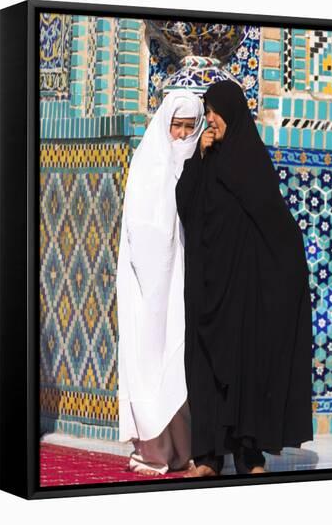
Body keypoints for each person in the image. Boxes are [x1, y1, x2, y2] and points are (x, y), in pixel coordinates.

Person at [175, 80, 314, 478]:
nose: (209, 119)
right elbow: (186, 206)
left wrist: (289, 274)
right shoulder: (204, 161)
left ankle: (250, 457)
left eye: (213, 111)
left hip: (244, 294)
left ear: (231, 112)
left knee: (245, 370)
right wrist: (197, 161)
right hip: (207, 289)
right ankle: (207, 458)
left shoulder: (251, 163)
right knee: (205, 372)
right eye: (207, 111)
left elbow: (277, 225)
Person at [116, 89, 205, 475]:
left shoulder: (200, 161)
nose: (182, 136)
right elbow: (140, 225)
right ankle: (153, 448)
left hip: (185, 280)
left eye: (190, 128)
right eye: (176, 127)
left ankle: (184, 448)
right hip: (150, 281)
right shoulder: (147, 162)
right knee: (148, 355)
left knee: (180, 360)